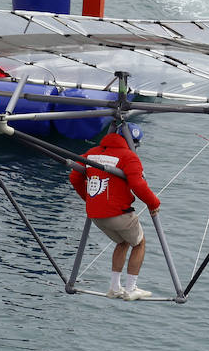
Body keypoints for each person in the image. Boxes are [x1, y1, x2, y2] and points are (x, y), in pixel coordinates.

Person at [68, 128, 161, 301]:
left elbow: (75, 177)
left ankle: (114, 287)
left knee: (123, 242)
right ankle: (131, 288)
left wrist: (89, 200)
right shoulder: (128, 157)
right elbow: (137, 184)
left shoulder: (92, 153)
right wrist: (153, 203)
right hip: (118, 213)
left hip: (96, 215)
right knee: (139, 244)